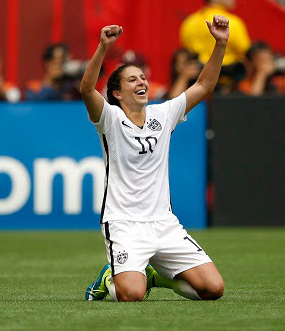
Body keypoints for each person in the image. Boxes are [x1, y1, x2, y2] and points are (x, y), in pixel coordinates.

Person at [83, 15, 230, 302]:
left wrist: (221, 44)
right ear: (117, 93)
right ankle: (110, 276)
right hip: (124, 224)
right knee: (131, 295)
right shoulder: (109, 119)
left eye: (142, 77)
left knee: (213, 289)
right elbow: (87, 90)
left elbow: (204, 86)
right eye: (132, 79)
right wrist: (103, 48)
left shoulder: (163, 114)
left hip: (164, 223)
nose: (141, 82)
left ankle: (155, 276)